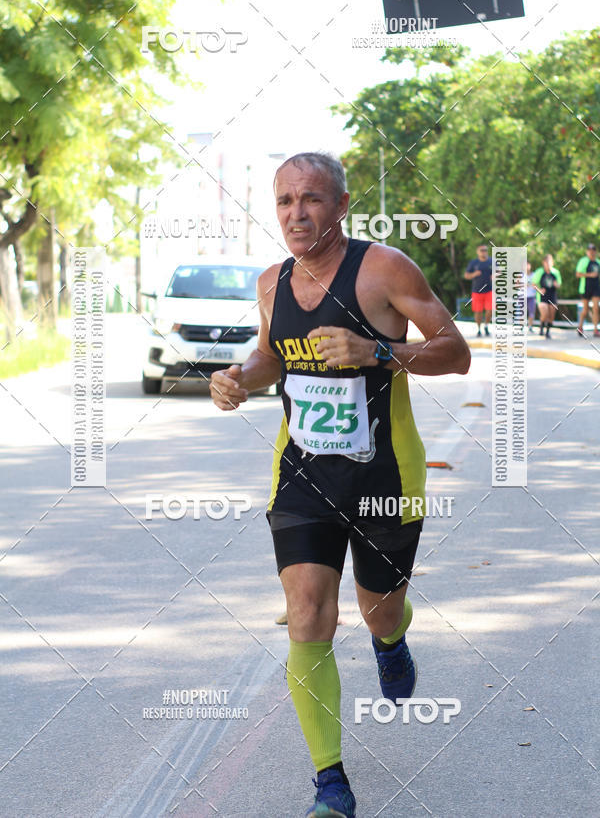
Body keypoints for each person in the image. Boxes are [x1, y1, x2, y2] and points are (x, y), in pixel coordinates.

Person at [209, 152, 470, 818]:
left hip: (385, 476)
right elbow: (270, 353)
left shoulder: (383, 270)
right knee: (307, 614)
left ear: (343, 205)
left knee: (378, 606)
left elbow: (454, 350)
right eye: (285, 201)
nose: (297, 214)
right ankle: (330, 782)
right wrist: (240, 377)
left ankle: (391, 637)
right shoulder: (271, 283)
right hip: (302, 475)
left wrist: (378, 350)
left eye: (313, 199)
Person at [464, 244, 493, 337]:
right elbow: (466, 275)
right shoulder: (474, 263)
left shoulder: (491, 261)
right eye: (482, 250)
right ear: (478, 252)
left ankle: (486, 326)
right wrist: (474, 274)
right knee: (478, 311)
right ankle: (479, 329)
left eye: (485, 250)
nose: (484, 252)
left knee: (490, 309)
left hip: (489, 290)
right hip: (477, 291)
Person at [532, 255, 561, 339]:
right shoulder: (539, 272)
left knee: (551, 315)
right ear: (543, 263)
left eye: (549, 262)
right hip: (542, 296)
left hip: (552, 295)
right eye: (546, 262)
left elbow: (559, 284)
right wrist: (539, 290)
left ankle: (547, 331)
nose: (548, 264)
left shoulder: (556, 272)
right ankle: (541, 326)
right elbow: (533, 284)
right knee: (545, 313)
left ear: (552, 263)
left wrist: (557, 285)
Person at [575, 243, 600, 337]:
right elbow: (578, 274)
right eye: (589, 250)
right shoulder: (583, 261)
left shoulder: (598, 262)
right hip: (585, 288)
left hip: (596, 288)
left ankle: (595, 330)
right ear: (587, 252)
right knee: (585, 310)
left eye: (593, 250)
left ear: (595, 252)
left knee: (596, 308)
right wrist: (590, 275)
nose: (591, 252)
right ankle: (580, 326)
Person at [526, 261, 537, 333]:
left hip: (531, 296)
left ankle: (530, 326)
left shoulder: (534, 275)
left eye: (528, 265)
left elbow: (535, 284)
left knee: (532, 312)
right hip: (522, 296)